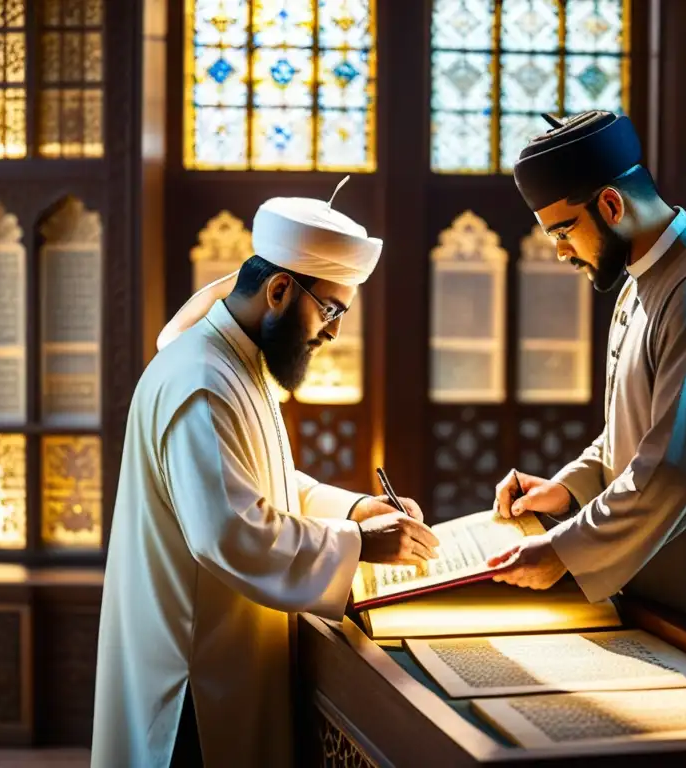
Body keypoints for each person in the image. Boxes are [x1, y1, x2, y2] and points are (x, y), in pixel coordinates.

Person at [91, 190, 439, 768]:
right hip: (194, 687)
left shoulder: (236, 362)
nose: (332, 332)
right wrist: (359, 546)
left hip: (225, 656)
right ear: (279, 290)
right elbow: (227, 531)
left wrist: (355, 511)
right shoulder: (202, 379)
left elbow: (265, 483)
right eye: (330, 309)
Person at [488, 110, 686, 663]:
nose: (561, 251)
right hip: (649, 528)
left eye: (563, 231)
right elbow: (630, 430)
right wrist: (569, 489)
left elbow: (678, 466)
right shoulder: (644, 272)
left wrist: (563, 548)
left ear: (610, 205)